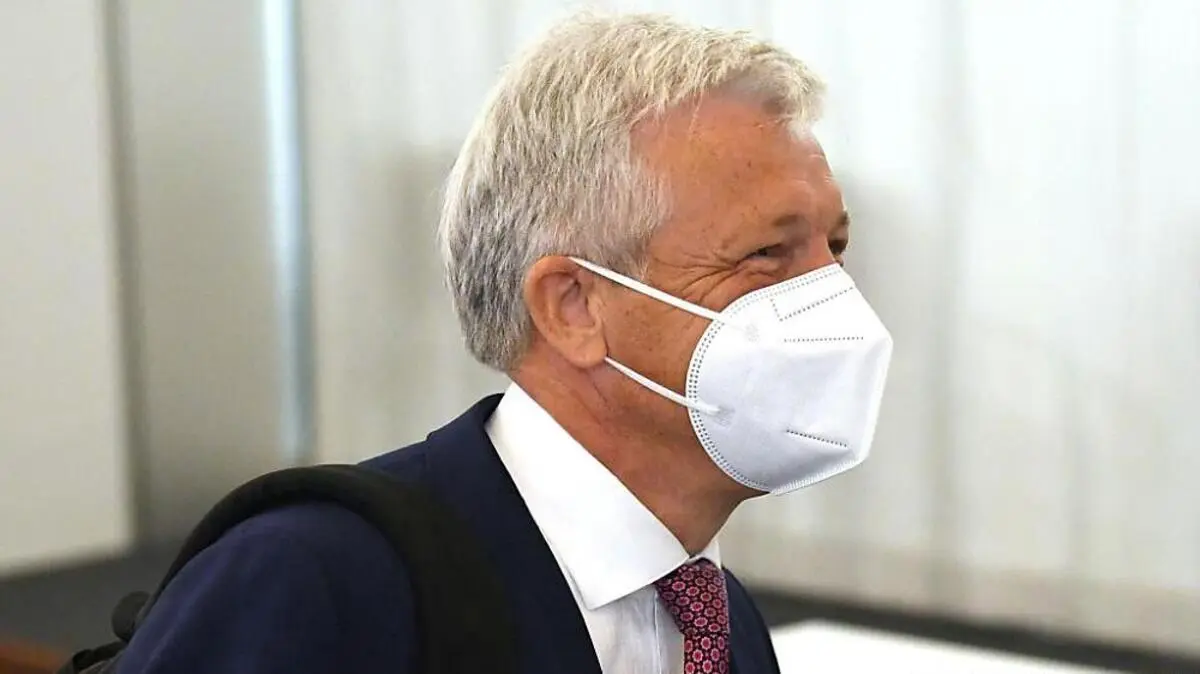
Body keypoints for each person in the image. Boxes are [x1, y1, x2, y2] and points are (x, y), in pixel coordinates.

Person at [116, 11, 892, 674]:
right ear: (574, 307)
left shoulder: (719, 624)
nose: (833, 297)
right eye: (767, 254)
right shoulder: (321, 583)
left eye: (835, 248)